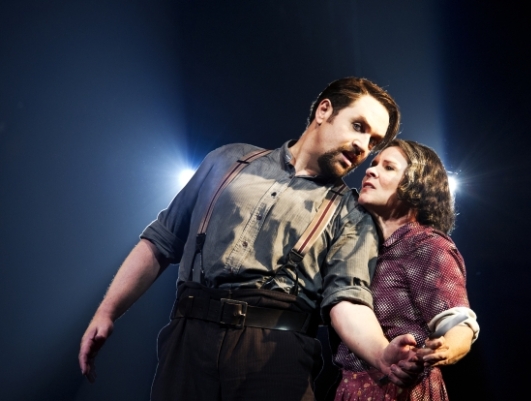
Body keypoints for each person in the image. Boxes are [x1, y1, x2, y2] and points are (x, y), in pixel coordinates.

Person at [78, 77, 421, 400]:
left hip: (274, 354)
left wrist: (380, 352)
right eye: (358, 126)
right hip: (187, 340)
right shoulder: (228, 160)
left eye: (374, 142)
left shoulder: (353, 213)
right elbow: (160, 242)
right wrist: (107, 312)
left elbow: (347, 299)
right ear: (324, 111)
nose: (363, 146)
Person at [333, 139, 480, 401]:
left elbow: (460, 323)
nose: (371, 170)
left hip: (401, 391)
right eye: (374, 164)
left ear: (415, 185)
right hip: (351, 388)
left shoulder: (425, 245)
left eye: (388, 167)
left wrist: (445, 348)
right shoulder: (362, 249)